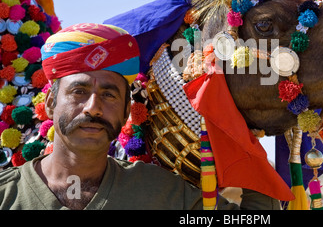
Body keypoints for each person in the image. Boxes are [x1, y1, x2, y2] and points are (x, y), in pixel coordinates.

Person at [0, 23, 280, 210]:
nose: (93, 108)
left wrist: (245, 130)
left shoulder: (161, 193)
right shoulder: (7, 195)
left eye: (109, 95)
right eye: (79, 91)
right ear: (50, 103)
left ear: (125, 112)